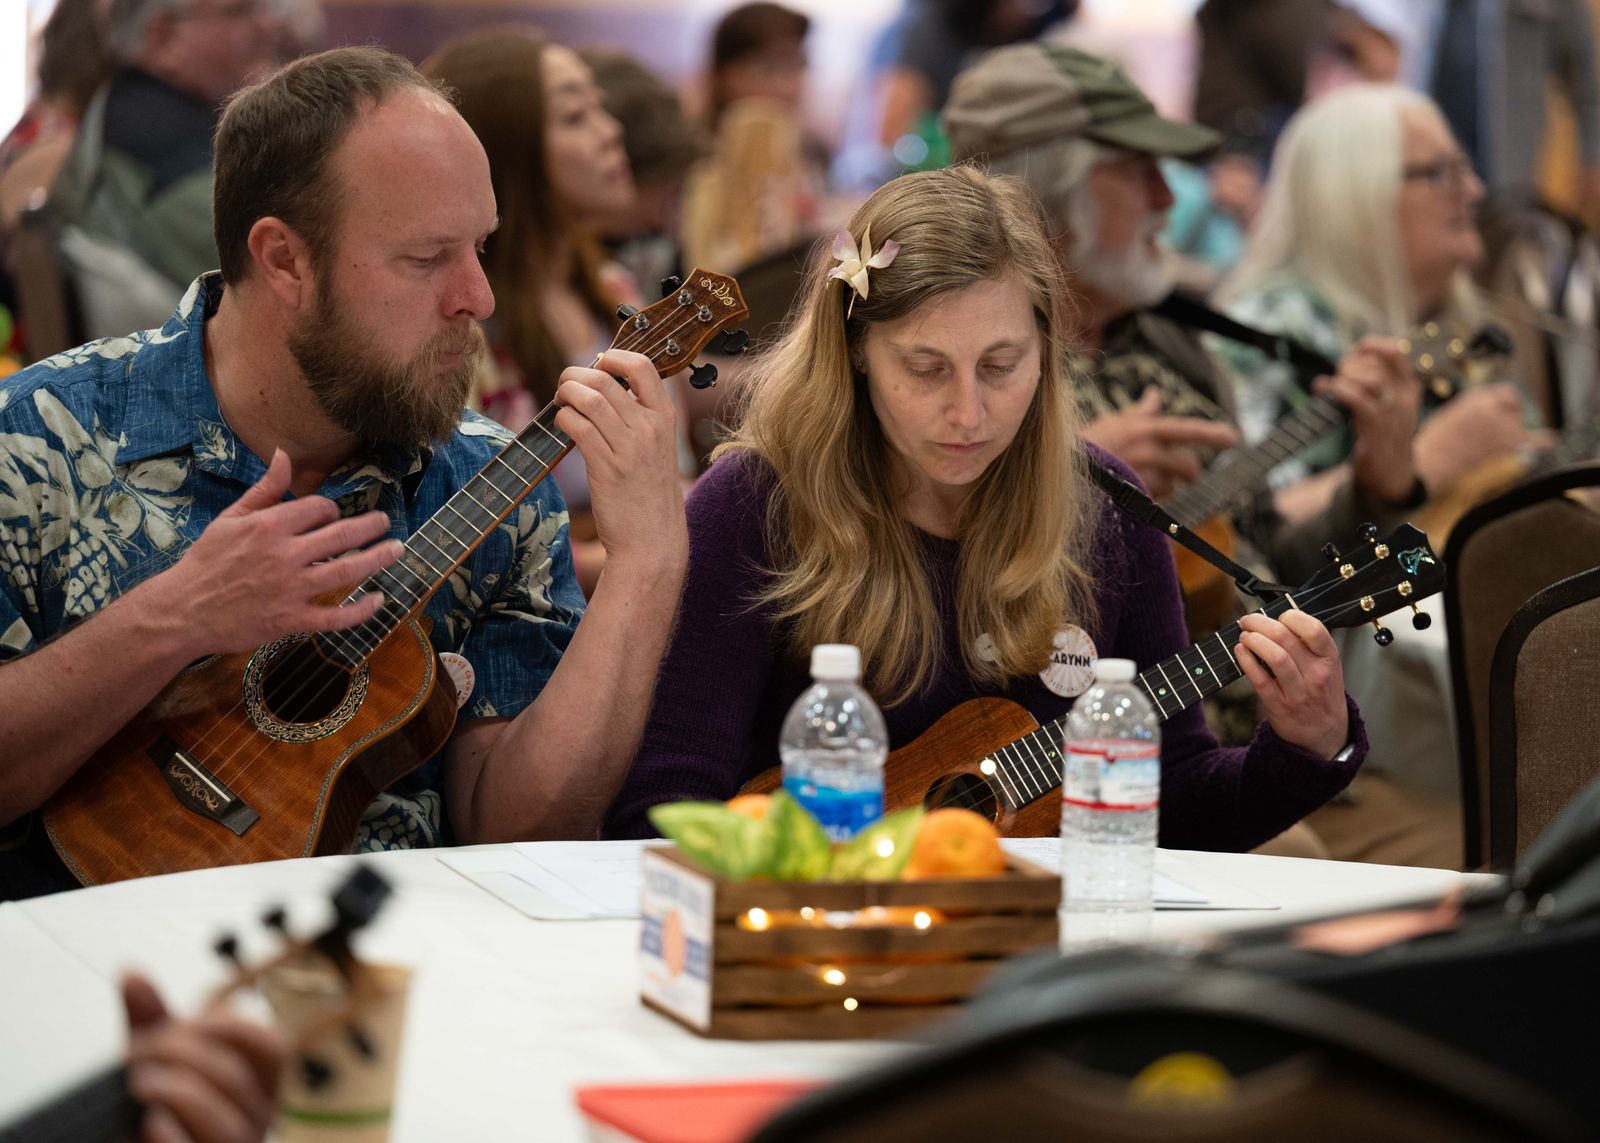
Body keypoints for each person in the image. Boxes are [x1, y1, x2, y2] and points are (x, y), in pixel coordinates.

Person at [0, 45, 688, 899]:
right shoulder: (38, 437)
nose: (478, 298)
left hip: (396, 958)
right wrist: (172, 617)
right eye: (426, 258)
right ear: (283, 259)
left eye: (481, 246)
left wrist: (648, 564)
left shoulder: (494, 485)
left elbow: (518, 832)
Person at [605, 165, 1367, 848]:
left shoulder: (1104, 509)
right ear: (857, 353)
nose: (968, 413)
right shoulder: (754, 505)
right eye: (925, 368)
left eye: (1001, 365)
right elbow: (665, 810)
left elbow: (1171, 799)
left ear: (1047, 348)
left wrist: (1306, 747)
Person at [940, 43, 1424, 593]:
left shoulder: (1174, 338)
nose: (1167, 197)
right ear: (1041, 199)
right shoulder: (957, 360)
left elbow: (1268, 563)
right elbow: (925, 585)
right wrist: (1060, 478)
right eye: (1137, 170)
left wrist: (1377, 490)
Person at [1218, 83, 1553, 867]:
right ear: (1358, 194)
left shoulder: (1460, 329)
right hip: (1337, 714)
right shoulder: (1274, 328)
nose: (1474, 191)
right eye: (1440, 173)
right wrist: (1429, 460)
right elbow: (1246, 529)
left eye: (1466, 168)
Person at [421, 28, 666, 596]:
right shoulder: (463, 328)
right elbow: (462, 541)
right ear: (509, 149)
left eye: (601, 107)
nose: (612, 132)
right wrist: (642, 557)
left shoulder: (608, 282)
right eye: (577, 116)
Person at [48, 0, 290, 325]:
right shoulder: (154, 142)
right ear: (164, 38)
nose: (266, 25)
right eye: (239, 11)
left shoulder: (134, 115)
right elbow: (281, 279)